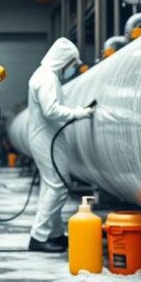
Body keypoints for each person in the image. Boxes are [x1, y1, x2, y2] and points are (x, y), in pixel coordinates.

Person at [26, 38, 94, 253]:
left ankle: (53, 234)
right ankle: (39, 236)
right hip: (46, 137)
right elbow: (51, 110)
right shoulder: (47, 78)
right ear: (63, 60)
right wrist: (80, 113)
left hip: (47, 135)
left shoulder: (46, 75)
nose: (73, 68)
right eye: (72, 63)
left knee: (53, 185)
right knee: (58, 185)